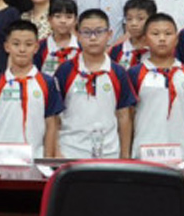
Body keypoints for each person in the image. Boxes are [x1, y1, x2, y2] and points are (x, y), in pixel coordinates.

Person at [55, 9, 136, 159]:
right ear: (78, 35)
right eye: (86, 32)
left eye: (99, 32)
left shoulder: (118, 72)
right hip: (70, 151)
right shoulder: (65, 70)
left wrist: (125, 155)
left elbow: (124, 116)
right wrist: (56, 150)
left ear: (109, 34)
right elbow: (54, 115)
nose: (93, 38)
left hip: (109, 153)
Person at [0, 20, 63, 158]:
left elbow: (51, 124)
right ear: (7, 47)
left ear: (36, 47)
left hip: (35, 158)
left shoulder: (48, 83)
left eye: (28, 44)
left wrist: (47, 159)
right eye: (16, 44)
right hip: (0, 158)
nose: (22, 49)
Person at [128, 13, 184, 160]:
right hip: (145, 153)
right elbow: (128, 117)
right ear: (145, 39)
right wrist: (127, 154)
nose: (162, 39)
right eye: (155, 34)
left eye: (168, 34)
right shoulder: (134, 74)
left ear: (176, 39)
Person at [34, 0, 80, 76]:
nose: (63, 21)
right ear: (49, 19)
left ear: (75, 20)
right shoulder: (40, 47)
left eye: (68, 17)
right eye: (58, 16)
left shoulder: (81, 47)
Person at [109, 0, 156, 70]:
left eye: (140, 18)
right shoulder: (116, 51)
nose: (133, 23)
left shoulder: (159, 49)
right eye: (129, 19)